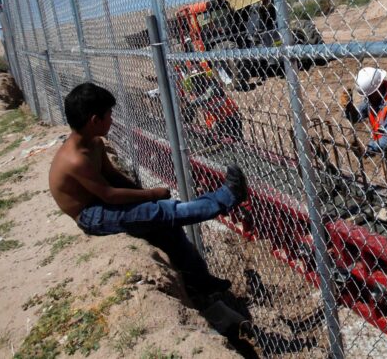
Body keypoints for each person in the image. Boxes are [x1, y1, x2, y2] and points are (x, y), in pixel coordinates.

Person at [49, 82, 249, 300]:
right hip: (92, 215)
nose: (112, 119)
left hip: (101, 203)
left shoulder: (94, 143)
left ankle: (201, 282)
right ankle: (227, 196)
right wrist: (151, 196)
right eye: (109, 115)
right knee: (163, 212)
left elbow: (113, 176)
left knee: (169, 229)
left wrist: (143, 195)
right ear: (95, 121)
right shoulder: (76, 160)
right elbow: (110, 194)